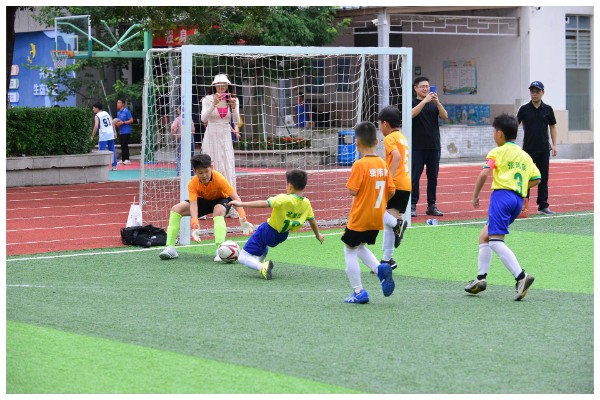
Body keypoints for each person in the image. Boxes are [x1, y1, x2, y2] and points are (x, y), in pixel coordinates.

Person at [465, 113, 540, 301]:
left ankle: (521, 276)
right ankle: (480, 279)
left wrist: (475, 195)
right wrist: (520, 188)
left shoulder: (497, 152)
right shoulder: (524, 155)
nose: (493, 135)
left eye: (494, 131)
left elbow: (484, 173)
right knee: (484, 236)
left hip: (501, 197)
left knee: (495, 241)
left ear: (499, 133)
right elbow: (537, 178)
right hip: (517, 200)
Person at [228, 169, 324, 280]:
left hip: (268, 230)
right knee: (263, 244)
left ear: (290, 186)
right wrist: (318, 235)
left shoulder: (284, 199)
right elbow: (312, 220)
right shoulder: (306, 203)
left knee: (242, 256)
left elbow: (264, 203)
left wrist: (241, 204)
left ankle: (262, 267)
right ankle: (261, 262)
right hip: (282, 236)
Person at [159, 153, 254, 262]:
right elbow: (193, 204)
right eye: (200, 173)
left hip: (222, 200)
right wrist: (194, 223)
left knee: (218, 210)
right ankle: (170, 248)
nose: (204, 175)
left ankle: (220, 250)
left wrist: (242, 216)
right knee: (176, 209)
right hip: (205, 201)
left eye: (206, 171)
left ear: (211, 168)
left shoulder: (219, 178)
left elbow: (235, 198)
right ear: (195, 171)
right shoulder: (192, 184)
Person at [342, 121, 397, 304]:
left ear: (357, 142)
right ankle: (379, 269)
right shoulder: (382, 164)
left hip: (360, 216)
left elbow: (352, 190)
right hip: (376, 217)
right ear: (377, 141)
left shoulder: (359, 165)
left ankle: (359, 292)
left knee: (349, 250)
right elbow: (391, 191)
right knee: (359, 246)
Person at [517, 80, 558, 215]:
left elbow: (552, 127)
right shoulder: (523, 109)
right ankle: (524, 206)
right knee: (526, 178)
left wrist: (555, 145)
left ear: (542, 93)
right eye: (532, 91)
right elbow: (514, 126)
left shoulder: (548, 109)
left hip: (544, 149)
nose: (534, 94)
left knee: (543, 178)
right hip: (528, 150)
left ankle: (543, 206)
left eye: (537, 91)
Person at [410, 76, 448, 218]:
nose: (425, 89)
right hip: (417, 147)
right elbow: (410, 115)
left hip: (434, 146)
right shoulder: (412, 102)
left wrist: (437, 103)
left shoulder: (433, 103)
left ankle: (431, 205)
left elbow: (445, 116)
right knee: (415, 177)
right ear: (415, 88)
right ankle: (412, 205)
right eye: (422, 86)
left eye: (427, 86)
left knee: (433, 178)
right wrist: (424, 101)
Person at [378, 106, 410, 270]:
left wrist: (388, 178)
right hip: (406, 183)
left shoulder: (389, 138)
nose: (379, 128)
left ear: (385, 124)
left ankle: (398, 224)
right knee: (388, 224)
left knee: (378, 212)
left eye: (379, 124)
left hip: (395, 183)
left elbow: (396, 156)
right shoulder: (402, 137)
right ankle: (387, 260)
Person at [201, 74, 240, 197]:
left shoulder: (233, 100)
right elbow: (203, 119)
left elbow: (237, 121)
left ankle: (228, 196)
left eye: (224, 84)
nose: (221, 87)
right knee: (211, 163)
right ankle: (210, 195)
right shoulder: (207, 99)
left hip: (225, 135)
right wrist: (213, 104)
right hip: (212, 134)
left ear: (228, 86)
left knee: (227, 163)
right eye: (219, 84)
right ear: (214, 85)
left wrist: (234, 108)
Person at [90, 102, 117, 171]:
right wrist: (114, 132)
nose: (93, 109)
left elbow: (96, 126)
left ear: (97, 108)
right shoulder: (106, 113)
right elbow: (112, 123)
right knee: (112, 150)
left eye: (93, 108)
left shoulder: (97, 115)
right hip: (110, 133)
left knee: (101, 151)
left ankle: (101, 166)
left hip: (104, 135)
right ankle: (114, 166)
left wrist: (92, 135)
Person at [171, 106, 196, 176]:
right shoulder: (189, 118)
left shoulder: (178, 119)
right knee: (191, 156)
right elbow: (193, 130)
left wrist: (176, 135)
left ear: (180, 110)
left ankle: (179, 173)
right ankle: (191, 173)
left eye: (178, 109)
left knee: (179, 156)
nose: (177, 111)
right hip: (190, 138)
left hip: (182, 138)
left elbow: (173, 128)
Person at [114, 99, 134, 165]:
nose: (117, 104)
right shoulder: (118, 113)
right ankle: (123, 159)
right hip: (121, 131)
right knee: (122, 145)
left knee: (125, 145)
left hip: (126, 131)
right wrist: (116, 124)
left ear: (123, 104)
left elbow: (131, 120)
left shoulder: (126, 111)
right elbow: (119, 122)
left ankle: (127, 159)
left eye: (119, 103)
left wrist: (123, 122)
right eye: (117, 103)